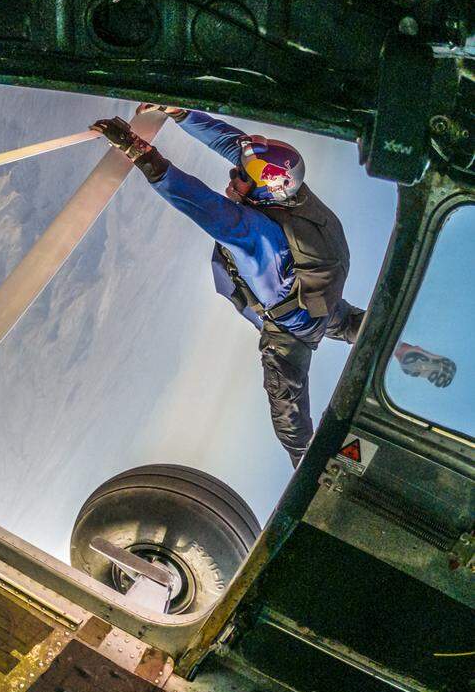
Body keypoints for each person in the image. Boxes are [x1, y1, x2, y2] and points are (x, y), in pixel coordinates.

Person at [89, 106, 455, 467]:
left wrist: (143, 154)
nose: (233, 177)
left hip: (294, 320)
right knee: (347, 324)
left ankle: (305, 462)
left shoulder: (260, 237)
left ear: (265, 190)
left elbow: (204, 206)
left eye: (241, 178)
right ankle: (403, 349)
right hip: (318, 291)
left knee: (287, 405)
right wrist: (181, 113)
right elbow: (236, 147)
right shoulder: (285, 184)